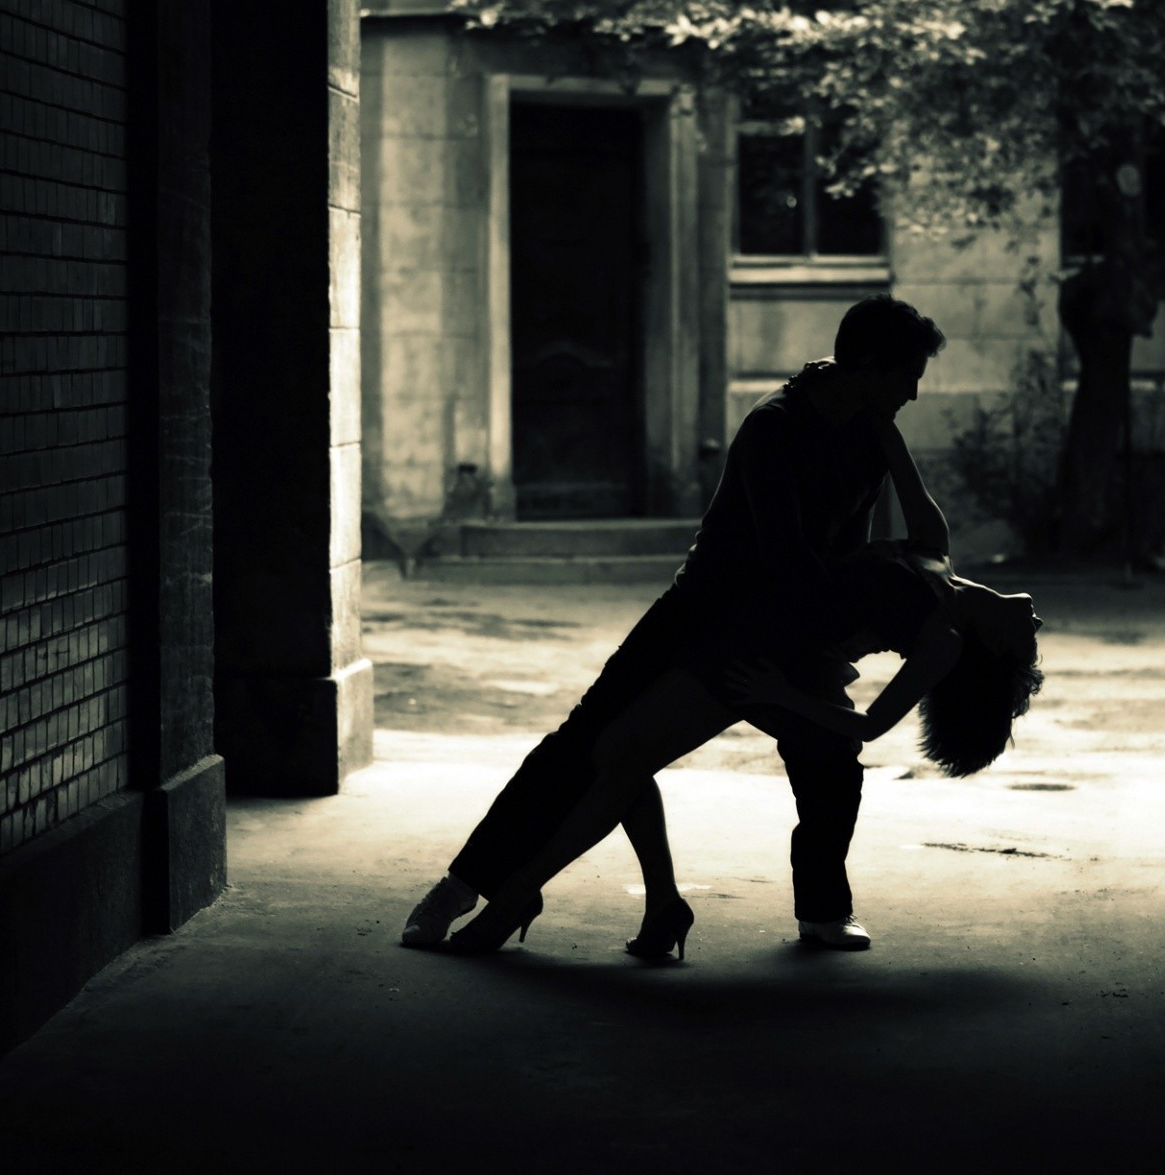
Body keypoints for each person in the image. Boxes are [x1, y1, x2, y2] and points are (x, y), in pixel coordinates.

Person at [403, 296, 945, 953]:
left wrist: (842, 618)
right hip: (705, 612)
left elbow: (894, 547)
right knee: (590, 739)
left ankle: (821, 911)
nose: (915, 394)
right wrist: (863, 601)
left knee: (832, 760)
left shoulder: (872, 429)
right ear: (867, 365)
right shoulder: (774, 426)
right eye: (908, 376)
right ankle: (463, 885)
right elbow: (792, 560)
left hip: (791, 623)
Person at [431, 413, 1045, 956]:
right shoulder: (936, 550)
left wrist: (781, 695)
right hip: (747, 630)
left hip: (760, 661)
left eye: (1027, 643)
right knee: (619, 752)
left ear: (991, 650)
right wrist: (845, 386)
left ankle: (520, 895)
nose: (1037, 621)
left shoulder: (945, 641)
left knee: (621, 755)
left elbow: (870, 726)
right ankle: (656, 904)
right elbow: (890, 442)